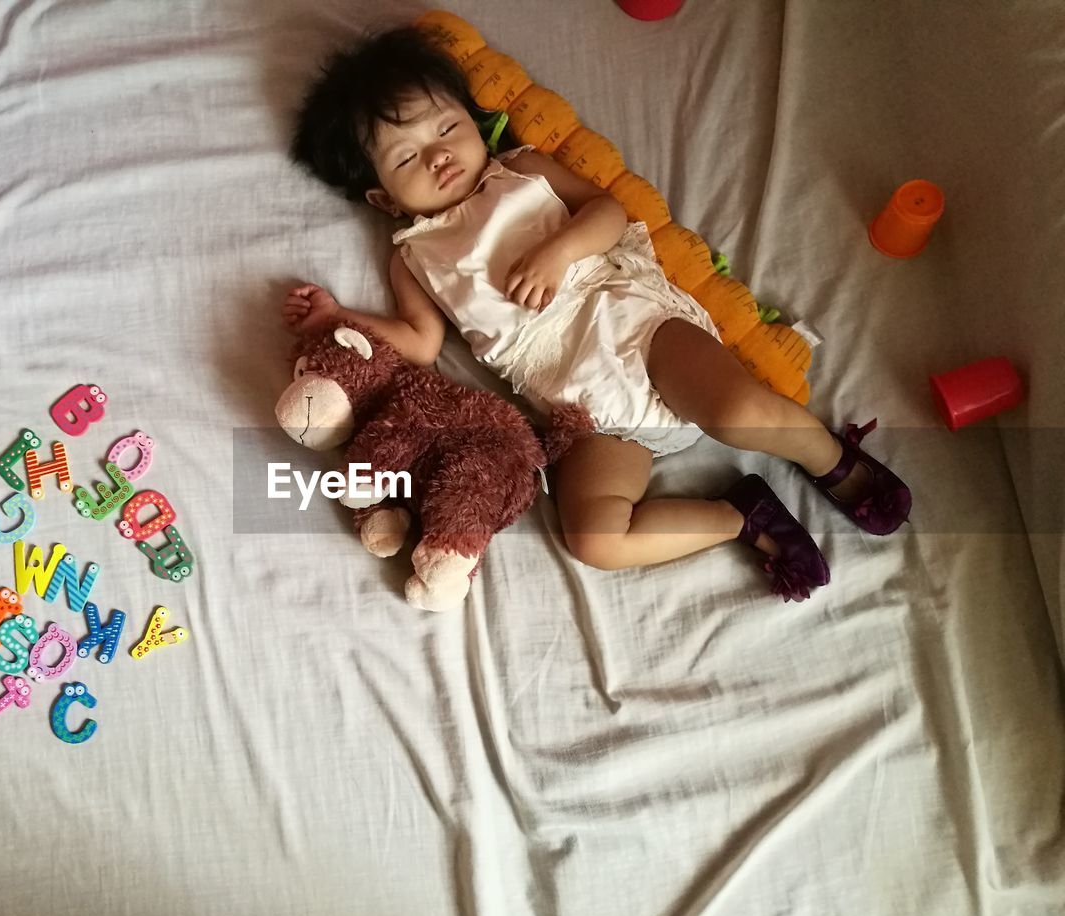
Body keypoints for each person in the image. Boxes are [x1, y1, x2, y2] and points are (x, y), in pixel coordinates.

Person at [281, 26, 910, 601]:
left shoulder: (520, 171)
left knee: (739, 412)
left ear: (472, 120)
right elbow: (419, 344)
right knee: (594, 541)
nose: (438, 155)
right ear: (381, 197)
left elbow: (609, 213)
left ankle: (830, 457)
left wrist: (558, 252)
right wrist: (341, 318)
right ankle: (740, 515)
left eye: (445, 129)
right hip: (577, 406)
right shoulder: (412, 258)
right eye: (406, 158)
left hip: (631, 326)